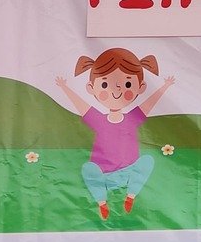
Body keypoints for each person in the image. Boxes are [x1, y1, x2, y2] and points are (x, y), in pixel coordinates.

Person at [54, 47, 176, 220]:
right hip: (103, 176)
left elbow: (149, 103)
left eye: (128, 84)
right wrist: (64, 87)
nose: (116, 90)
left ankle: (130, 196)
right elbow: (80, 105)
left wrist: (165, 86)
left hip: (129, 173)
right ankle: (102, 202)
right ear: (91, 88)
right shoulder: (98, 119)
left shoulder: (132, 118)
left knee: (147, 160)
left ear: (141, 88)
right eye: (105, 84)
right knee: (88, 168)